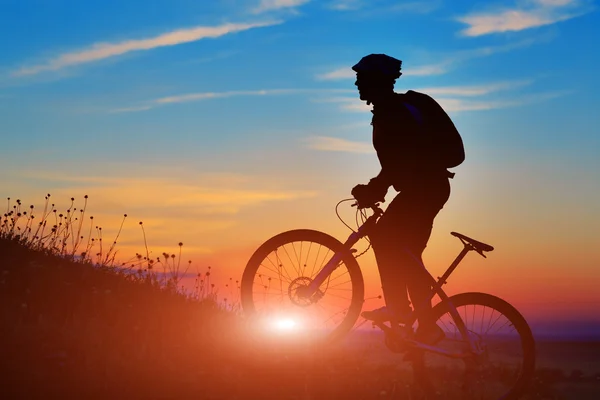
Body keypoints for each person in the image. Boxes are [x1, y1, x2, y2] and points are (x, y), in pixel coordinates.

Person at [350, 53, 459, 342]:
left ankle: (399, 310)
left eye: (361, 78)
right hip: (426, 189)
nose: (357, 83)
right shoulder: (392, 110)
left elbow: (401, 162)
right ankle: (424, 325)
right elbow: (399, 163)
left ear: (377, 81)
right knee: (408, 255)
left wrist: (374, 188)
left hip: (423, 190)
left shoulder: (393, 113)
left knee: (386, 237)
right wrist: (378, 186)